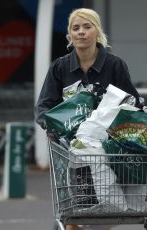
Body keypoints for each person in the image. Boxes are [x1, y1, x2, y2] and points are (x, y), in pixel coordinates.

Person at [35, 8, 142, 230]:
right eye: (76, 28)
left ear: (97, 31)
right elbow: (44, 106)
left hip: (108, 147)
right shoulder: (60, 67)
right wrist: (52, 126)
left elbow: (133, 102)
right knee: (74, 212)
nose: (81, 32)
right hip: (70, 149)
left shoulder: (114, 65)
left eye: (87, 27)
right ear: (70, 35)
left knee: (105, 214)